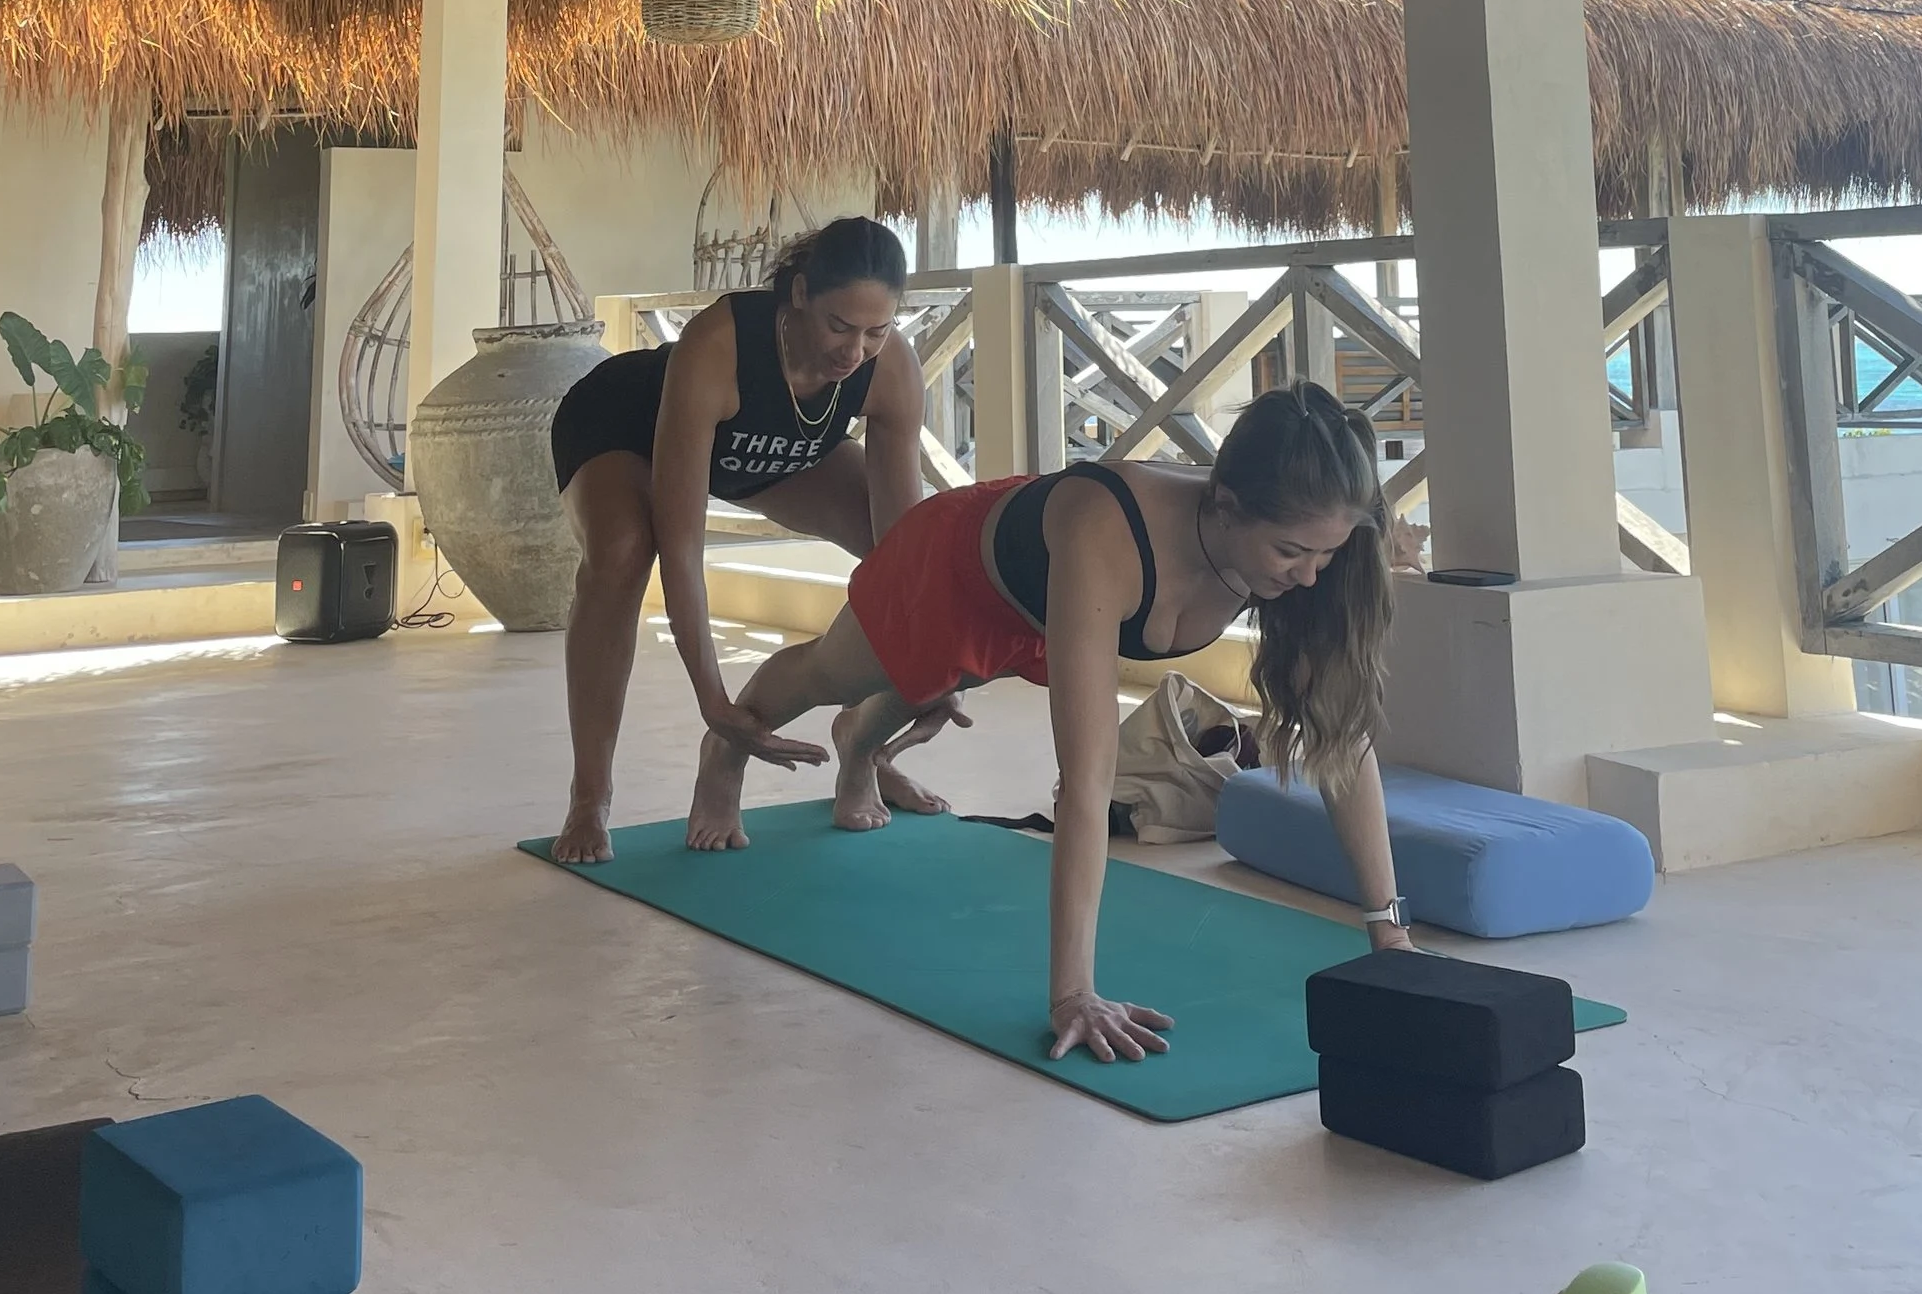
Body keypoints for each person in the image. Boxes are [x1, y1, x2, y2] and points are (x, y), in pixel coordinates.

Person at [695, 382, 1415, 1064]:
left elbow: (1343, 735)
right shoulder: (1112, 528)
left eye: (1327, 552)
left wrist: (1388, 927)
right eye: (1291, 552)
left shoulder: (1306, 556)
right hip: (955, 567)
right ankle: (725, 747)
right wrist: (1074, 994)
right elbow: (1088, 775)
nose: (1310, 575)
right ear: (1225, 504)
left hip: (1045, 605)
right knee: (841, 670)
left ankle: (862, 744)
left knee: (950, 673)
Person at [548, 216, 951, 863]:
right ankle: (589, 796)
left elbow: (908, 558)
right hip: (622, 426)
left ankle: (864, 741)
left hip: (766, 451)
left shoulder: (889, 369)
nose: (854, 352)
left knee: (904, 563)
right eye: (839, 326)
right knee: (623, 554)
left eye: (876, 331)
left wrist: (931, 667)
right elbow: (682, 551)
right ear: (797, 296)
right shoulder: (720, 342)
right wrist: (714, 700)